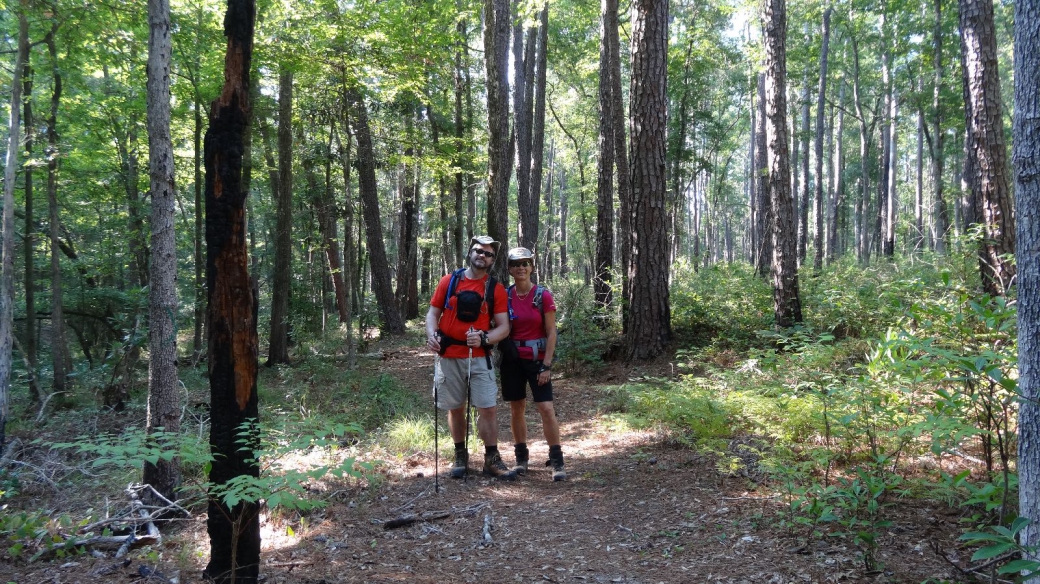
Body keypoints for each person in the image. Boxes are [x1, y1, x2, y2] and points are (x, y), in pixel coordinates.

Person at [425, 235, 517, 480]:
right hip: (448, 355)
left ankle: (492, 458)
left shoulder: (495, 289)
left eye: (488, 254)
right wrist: (432, 335)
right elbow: (432, 314)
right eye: (479, 251)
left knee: (487, 408)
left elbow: (504, 327)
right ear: (470, 252)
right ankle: (460, 454)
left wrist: (485, 338)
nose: (482, 256)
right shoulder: (449, 281)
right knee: (455, 408)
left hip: (479, 357)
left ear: (492, 260)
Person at [501, 247, 566, 481]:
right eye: (516, 264)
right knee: (516, 407)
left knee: (546, 408)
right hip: (512, 361)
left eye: (525, 263)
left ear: (531, 267)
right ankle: (521, 459)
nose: (521, 267)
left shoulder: (542, 296)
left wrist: (547, 365)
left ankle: (557, 462)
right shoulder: (505, 296)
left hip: (538, 360)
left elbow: (551, 332)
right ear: (509, 268)